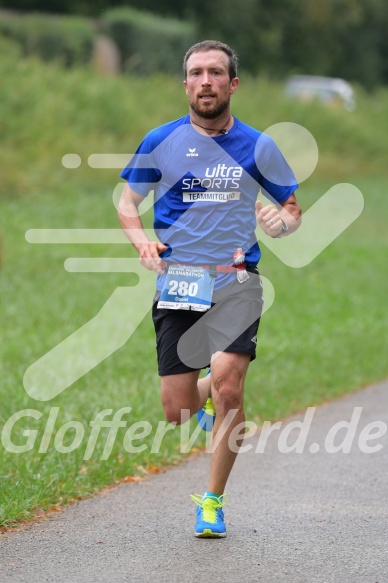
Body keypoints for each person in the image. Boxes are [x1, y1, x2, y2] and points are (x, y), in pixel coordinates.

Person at [118, 40, 302, 538]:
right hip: (179, 280)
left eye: (215, 73)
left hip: (236, 280)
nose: (205, 81)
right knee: (177, 410)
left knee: (228, 383)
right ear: (185, 84)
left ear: (232, 83)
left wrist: (277, 222)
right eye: (196, 73)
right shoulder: (161, 140)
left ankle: (213, 502)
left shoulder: (258, 146)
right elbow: (127, 203)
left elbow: (292, 211)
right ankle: (201, 403)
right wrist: (142, 244)